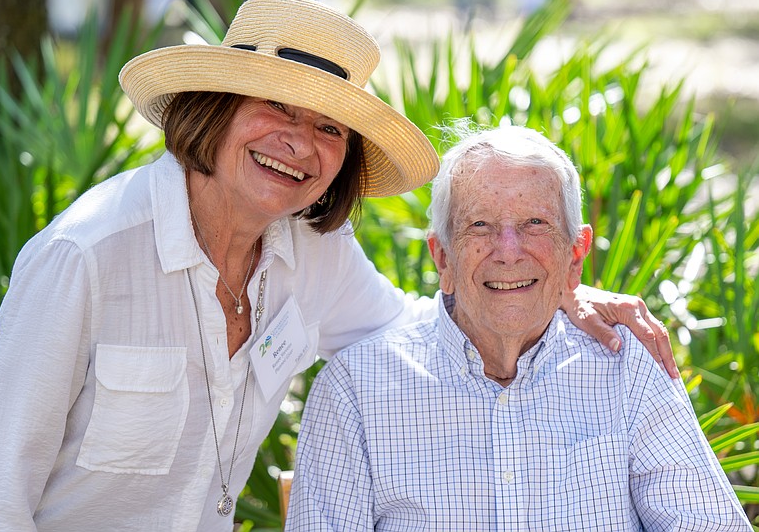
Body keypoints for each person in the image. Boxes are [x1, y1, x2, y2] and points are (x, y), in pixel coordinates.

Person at [0, 0, 671, 531]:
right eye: (276, 109)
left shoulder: (312, 255)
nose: (299, 143)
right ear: (213, 104)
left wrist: (563, 293)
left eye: (328, 127)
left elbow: (433, 329)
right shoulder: (88, 256)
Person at [286, 125, 750, 531]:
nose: (508, 251)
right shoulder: (356, 390)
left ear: (575, 253)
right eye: (481, 225)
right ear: (442, 257)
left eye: (535, 223)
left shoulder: (625, 365)